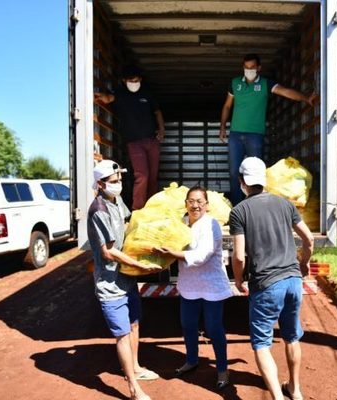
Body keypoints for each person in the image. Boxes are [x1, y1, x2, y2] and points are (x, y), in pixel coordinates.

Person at [228, 157, 314, 400]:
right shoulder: (285, 204)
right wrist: (304, 263)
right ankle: (295, 390)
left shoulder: (239, 211)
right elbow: (308, 239)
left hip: (266, 284)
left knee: (262, 343)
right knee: (292, 336)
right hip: (293, 281)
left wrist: (238, 280)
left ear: (241, 182)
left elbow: (239, 256)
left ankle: (277, 396)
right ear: (263, 179)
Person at [87, 159, 163, 400]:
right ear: (100, 184)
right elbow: (108, 252)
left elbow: (129, 224)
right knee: (121, 334)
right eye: (113, 181)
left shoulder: (116, 200)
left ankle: (137, 368)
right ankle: (133, 388)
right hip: (110, 283)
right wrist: (140, 264)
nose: (118, 184)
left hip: (127, 279)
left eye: (120, 180)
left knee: (134, 325)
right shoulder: (98, 210)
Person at [153, 186, 232, 389]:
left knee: (214, 328)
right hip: (189, 284)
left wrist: (173, 253)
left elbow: (202, 255)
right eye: (191, 201)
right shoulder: (181, 223)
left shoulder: (211, 224)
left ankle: (222, 370)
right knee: (188, 325)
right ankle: (191, 360)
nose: (195, 205)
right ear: (185, 203)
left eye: (200, 201)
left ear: (207, 205)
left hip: (211, 285)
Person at [219, 53, 318, 205]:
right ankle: (237, 207)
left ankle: (256, 205)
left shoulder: (265, 84)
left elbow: (285, 91)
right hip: (235, 134)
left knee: (257, 173)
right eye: (246, 67)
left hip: (255, 136)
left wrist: (305, 98)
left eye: (252, 67)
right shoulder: (235, 83)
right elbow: (227, 106)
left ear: (259, 68)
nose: (249, 70)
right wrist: (222, 127)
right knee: (234, 172)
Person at [95, 65, 166, 210]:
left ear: (140, 79)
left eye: (136, 80)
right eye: (130, 80)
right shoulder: (121, 93)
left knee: (152, 178)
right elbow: (109, 98)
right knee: (142, 176)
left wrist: (162, 129)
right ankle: (138, 211)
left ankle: (152, 209)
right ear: (124, 80)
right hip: (134, 143)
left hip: (152, 141)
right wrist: (99, 97)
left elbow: (157, 112)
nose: (134, 83)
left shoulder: (147, 94)